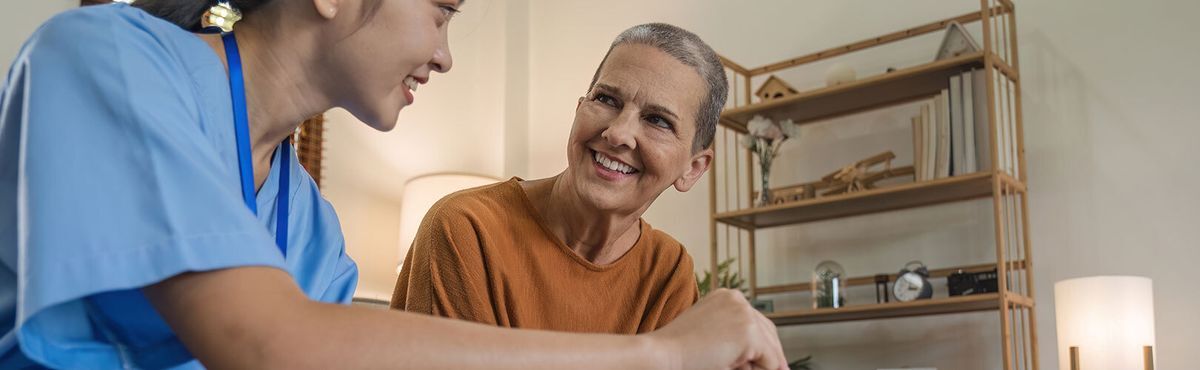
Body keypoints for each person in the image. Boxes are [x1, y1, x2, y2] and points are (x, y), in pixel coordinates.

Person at [0, 1, 786, 369]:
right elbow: (268, 344)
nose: (445, 56)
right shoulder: (101, 58)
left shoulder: (307, 226)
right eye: (441, 13)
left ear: (694, 164)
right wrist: (661, 355)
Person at [392, 23, 721, 335]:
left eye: (658, 121)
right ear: (579, 109)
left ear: (692, 168)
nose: (618, 133)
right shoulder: (466, 227)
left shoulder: (668, 269)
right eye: (606, 99)